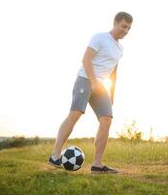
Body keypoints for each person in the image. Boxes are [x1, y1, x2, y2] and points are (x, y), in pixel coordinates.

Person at [48, 12, 133, 173]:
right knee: (75, 114)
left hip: (101, 87)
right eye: (123, 26)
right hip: (85, 79)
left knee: (106, 119)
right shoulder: (100, 37)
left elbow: (114, 72)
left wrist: (111, 93)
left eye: (129, 28)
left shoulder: (120, 48)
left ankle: (97, 164)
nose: (126, 31)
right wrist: (93, 81)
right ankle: (55, 155)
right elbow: (86, 59)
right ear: (115, 23)